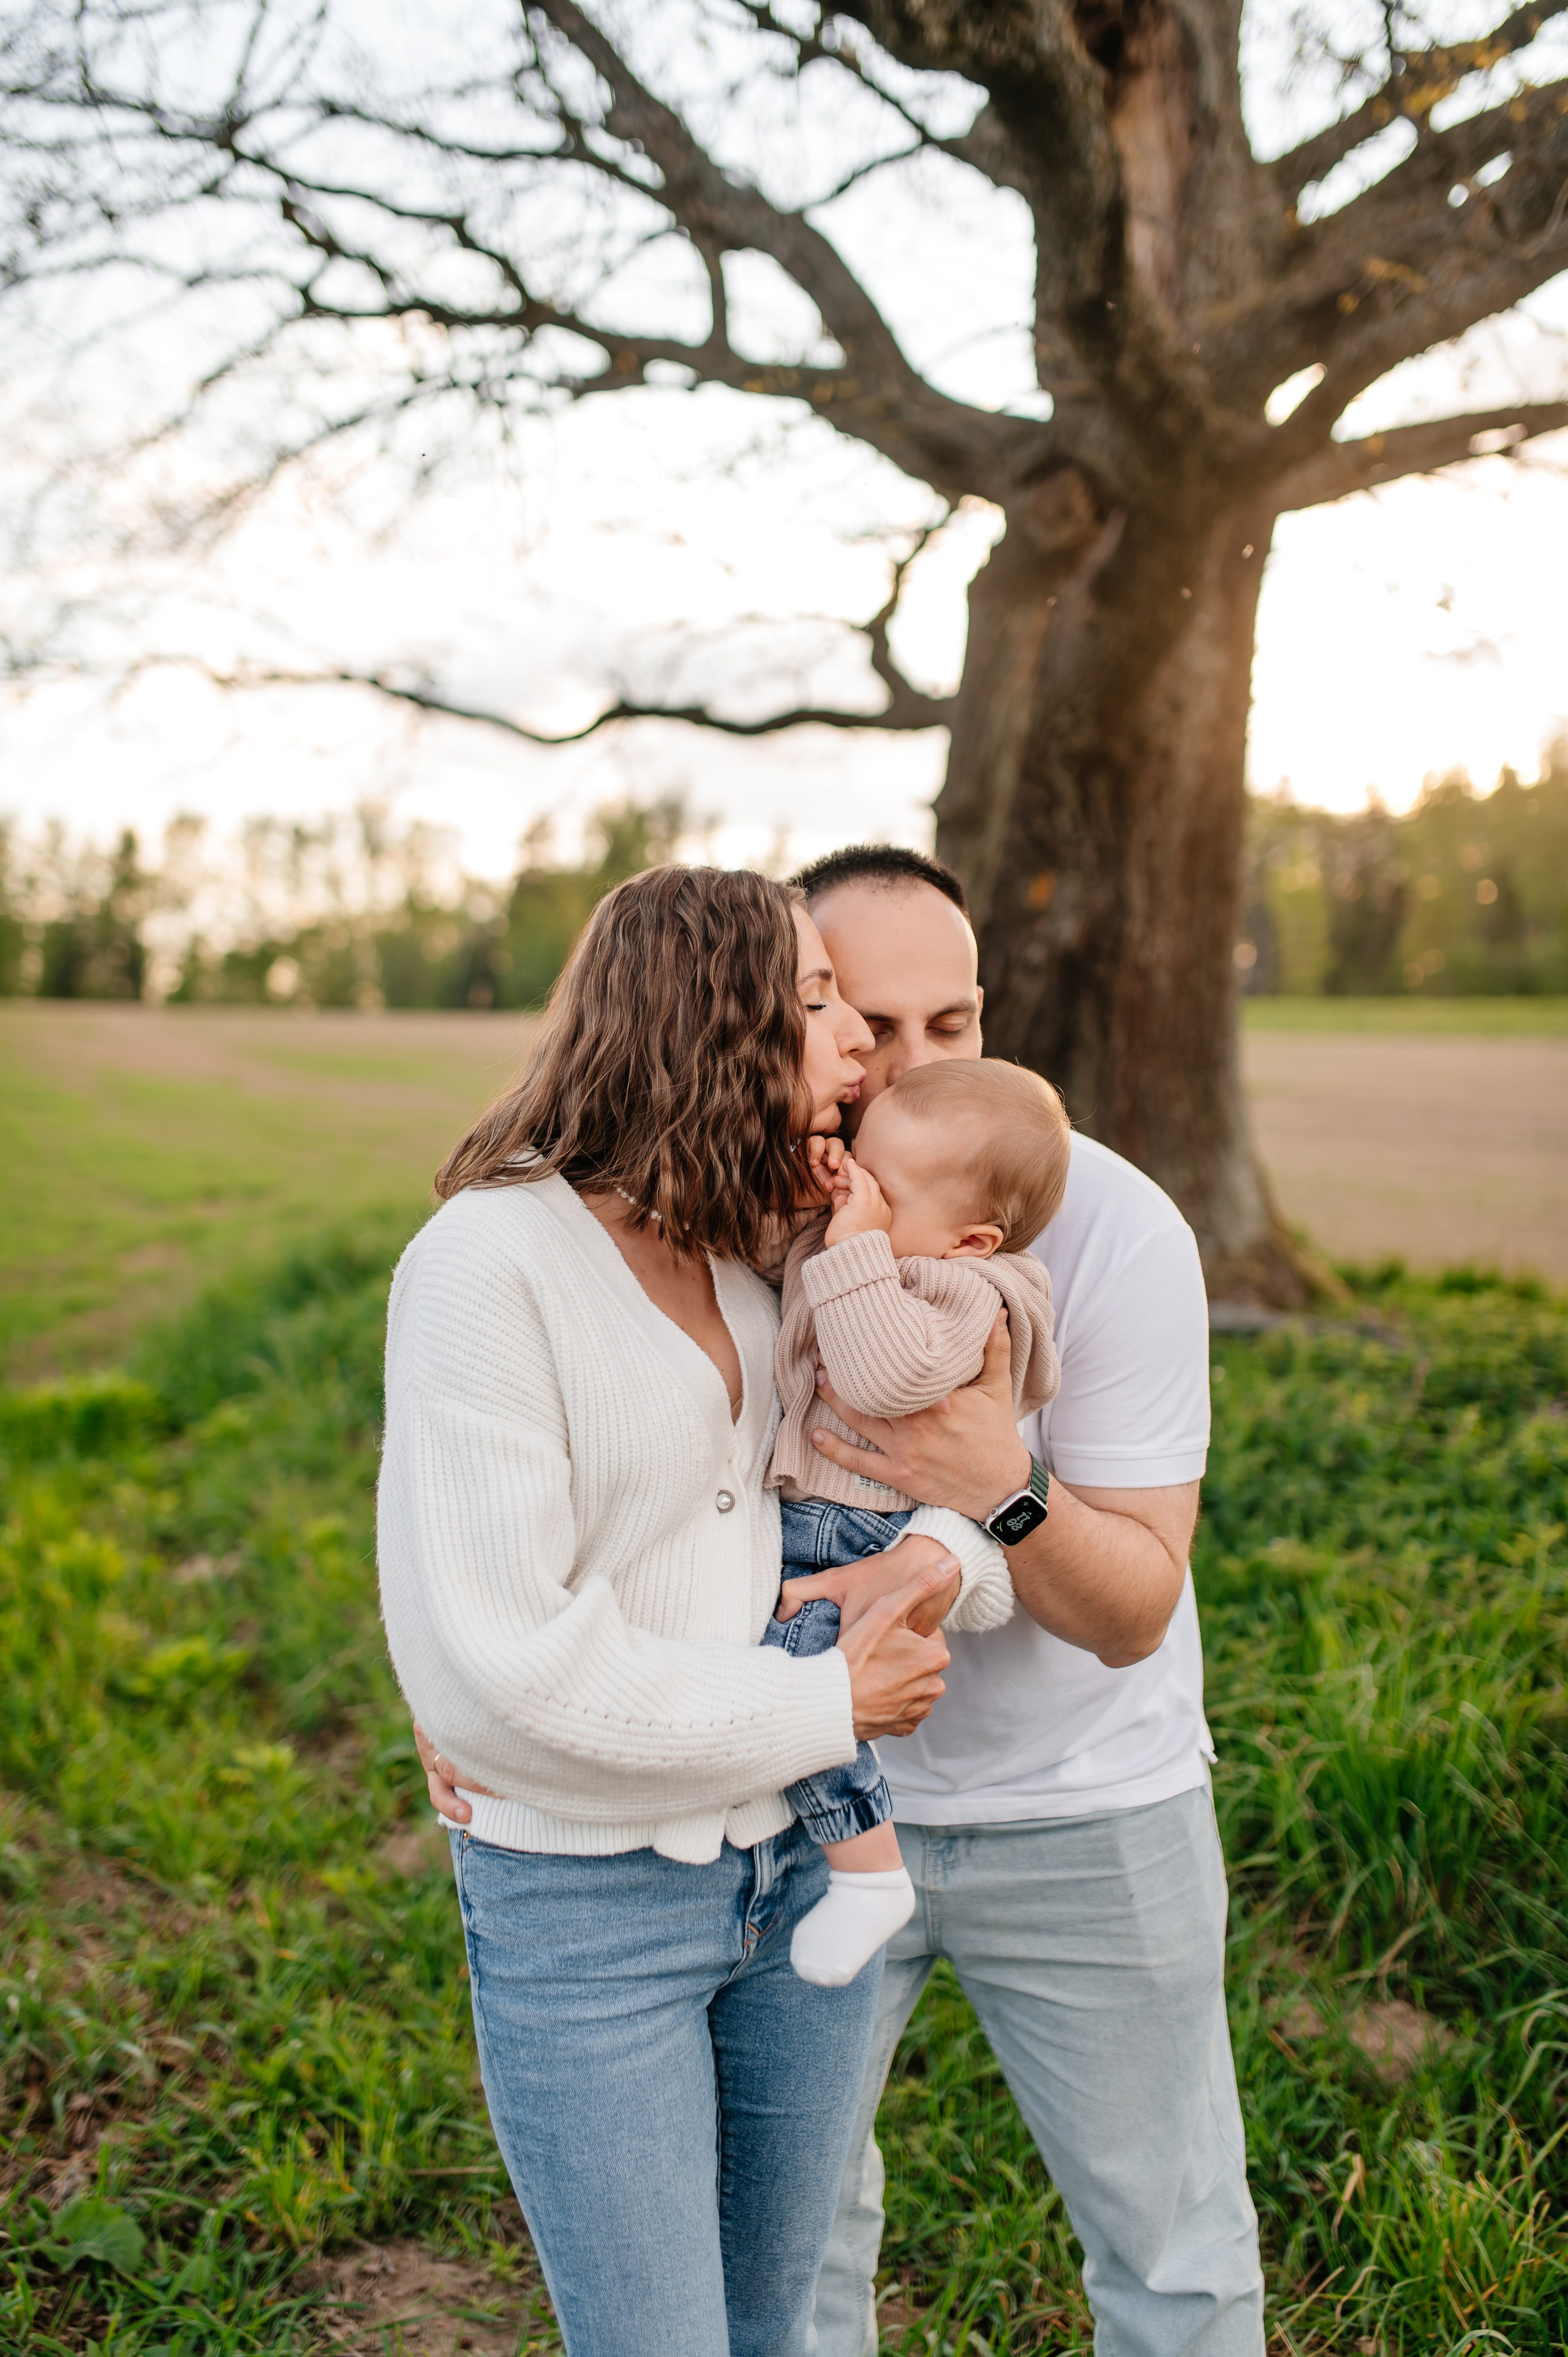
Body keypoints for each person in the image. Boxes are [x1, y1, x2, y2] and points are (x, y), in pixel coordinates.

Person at [379, 864, 961, 2357]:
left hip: (807, 1886)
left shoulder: (758, 1244)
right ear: (711, 1014)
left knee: (772, 2328)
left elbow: (923, 1455)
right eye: (821, 999)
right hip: (588, 1905)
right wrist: (825, 1704)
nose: (861, 1047)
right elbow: (510, 1665)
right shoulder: (484, 1266)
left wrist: (944, 1558)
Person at [782, 846, 1267, 2357]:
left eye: (956, 1022)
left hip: (1086, 1806)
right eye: (872, 1025)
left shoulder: (1110, 1227)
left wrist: (996, 1481)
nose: (915, 1066)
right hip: (798, 1789)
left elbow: (1130, 1609)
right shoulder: (744, 1205)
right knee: (785, 2236)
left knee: (1170, 2249)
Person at [761, 1058, 1068, 1989]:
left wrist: (852, 1244)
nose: (853, 1191)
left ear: (973, 1238)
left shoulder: (961, 1293)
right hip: (809, 1517)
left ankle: (866, 1872)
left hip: (854, 1534)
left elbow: (881, 1379)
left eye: (881, 1189)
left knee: (806, 1699)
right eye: (855, 1161)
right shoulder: (884, 1249)